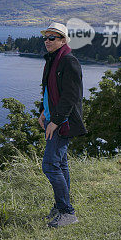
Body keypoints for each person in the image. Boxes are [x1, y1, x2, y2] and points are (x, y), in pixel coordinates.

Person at [37, 22, 86, 228]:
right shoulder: (53, 60)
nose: (47, 41)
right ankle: (61, 206)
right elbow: (49, 89)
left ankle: (67, 212)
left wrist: (55, 121)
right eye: (46, 38)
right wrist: (43, 111)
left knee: (49, 164)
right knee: (61, 163)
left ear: (63, 40)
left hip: (62, 122)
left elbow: (71, 95)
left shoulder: (68, 61)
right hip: (53, 118)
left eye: (52, 38)